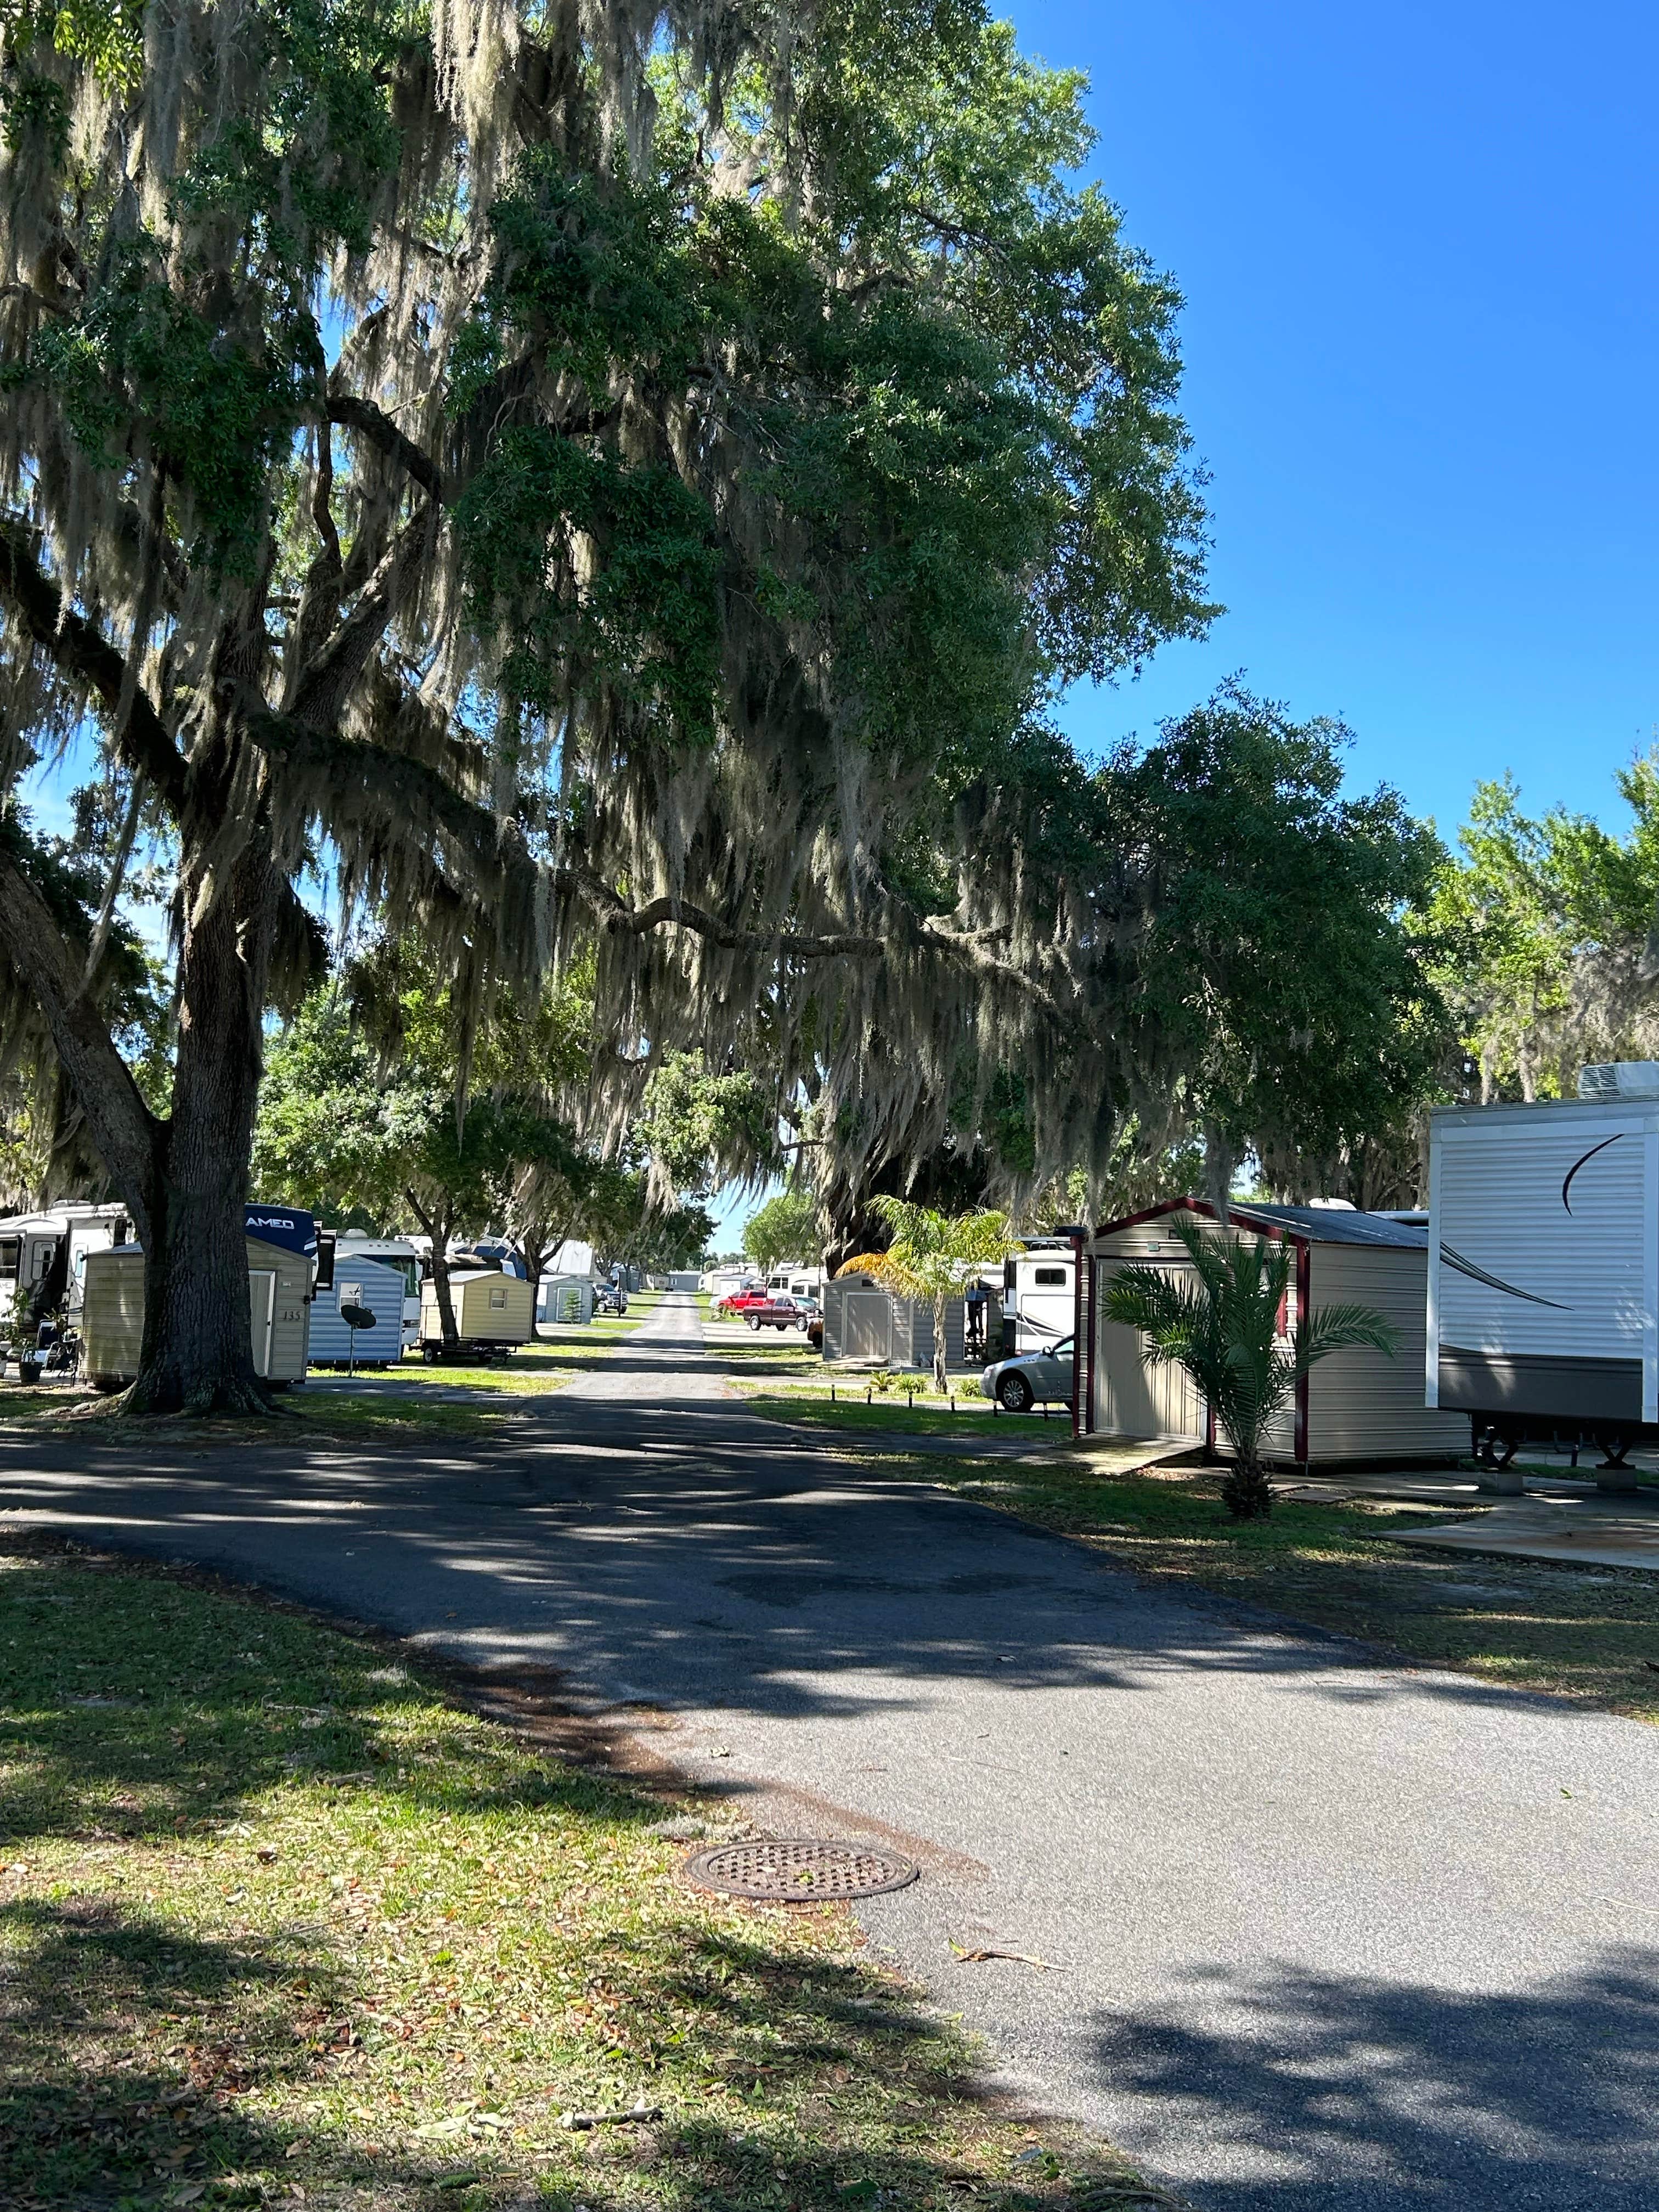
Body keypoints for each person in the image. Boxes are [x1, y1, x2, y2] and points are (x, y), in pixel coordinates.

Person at [964, 1278, 988, 1359]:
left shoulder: (975, 1301)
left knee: (977, 1324)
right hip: (975, 1315)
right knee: (975, 1325)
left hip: (976, 1312)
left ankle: (978, 1337)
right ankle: (976, 1334)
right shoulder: (972, 1304)